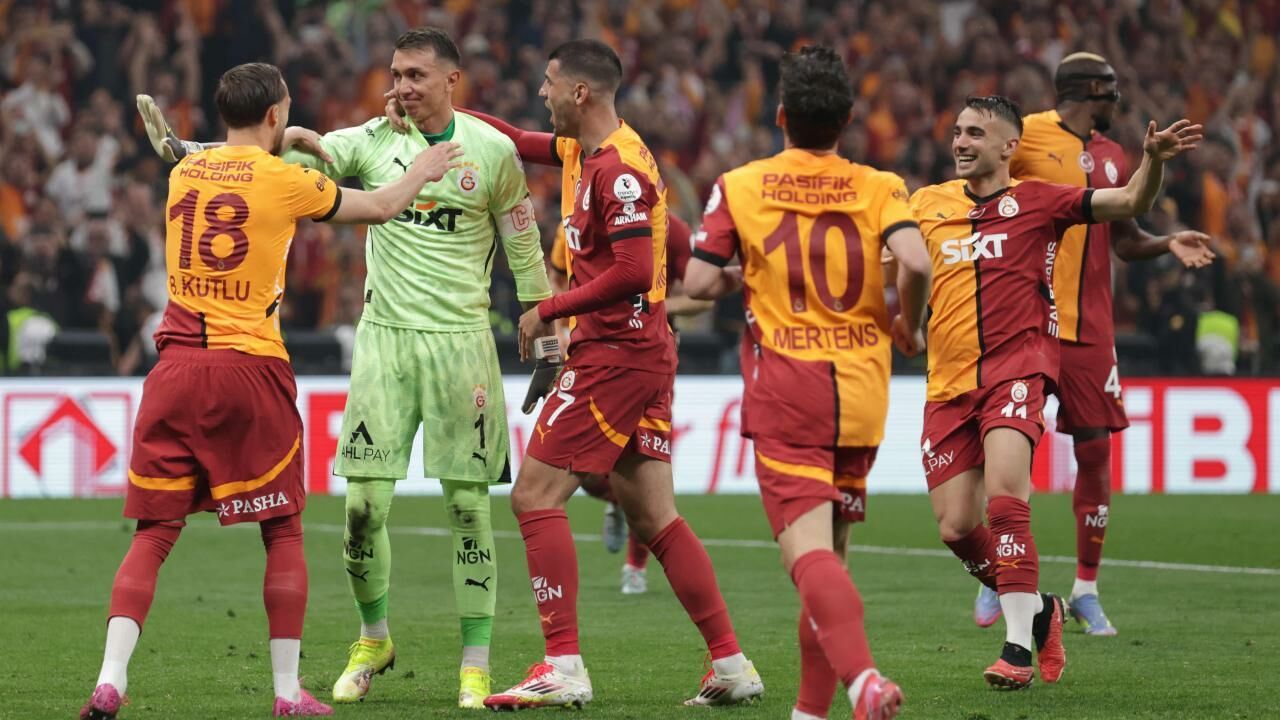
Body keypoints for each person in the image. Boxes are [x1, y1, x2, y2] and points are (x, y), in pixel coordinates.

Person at [138, 28, 554, 709]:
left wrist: (547, 329)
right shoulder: (369, 141)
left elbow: (524, 244)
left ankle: (475, 663)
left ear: (452, 80)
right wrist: (225, 145)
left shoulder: (493, 152)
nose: (403, 86)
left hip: (463, 346)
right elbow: (275, 161)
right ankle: (373, 639)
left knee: (467, 507)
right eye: (396, 73)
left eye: (417, 74)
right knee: (362, 510)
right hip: (383, 342)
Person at [81, 61, 461, 719]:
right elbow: (378, 207)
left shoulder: (184, 172)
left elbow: (227, 157)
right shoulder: (288, 183)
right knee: (282, 528)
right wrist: (423, 169)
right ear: (276, 113)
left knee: (154, 534)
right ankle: (287, 692)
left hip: (174, 370)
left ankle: (109, 680)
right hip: (250, 370)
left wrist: (285, 137)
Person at [471, 39, 763, 710]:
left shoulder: (619, 169)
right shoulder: (589, 153)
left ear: (580, 93)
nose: (541, 93)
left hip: (616, 356)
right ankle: (731, 664)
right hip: (640, 352)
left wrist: (548, 309)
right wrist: (442, 117)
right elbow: (515, 139)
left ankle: (563, 665)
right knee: (655, 516)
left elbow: (632, 271)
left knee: (534, 497)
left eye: (549, 82)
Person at [911, 95, 1201, 689]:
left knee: (1006, 498)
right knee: (956, 526)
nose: (961, 142)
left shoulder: (1041, 201)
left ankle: (1017, 648)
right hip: (948, 383)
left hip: (1017, 370)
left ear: (1009, 147)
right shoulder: (926, 204)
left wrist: (1152, 160)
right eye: (958, 131)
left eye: (975, 133)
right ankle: (1042, 610)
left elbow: (1130, 202)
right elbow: (889, 260)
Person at [684, 45, 930, 720]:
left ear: (781, 116)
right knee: (833, 559)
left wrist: (736, 275)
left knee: (808, 555)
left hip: (789, 388)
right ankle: (809, 712)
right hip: (862, 390)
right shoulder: (880, 185)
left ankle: (863, 680)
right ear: (847, 120)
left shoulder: (742, 184)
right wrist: (906, 323)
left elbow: (698, 282)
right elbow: (915, 260)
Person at [967, 52, 1215, 634]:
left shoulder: (1112, 154)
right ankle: (999, 573)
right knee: (1008, 446)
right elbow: (978, 194)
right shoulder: (1026, 136)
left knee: (1096, 450)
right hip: (1027, 319)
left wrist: (1166, 241)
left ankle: (1086, 589)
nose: (1118, 100)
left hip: (1092, 328)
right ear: (1088, 90)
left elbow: (1124, 238)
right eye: (1111, 89)